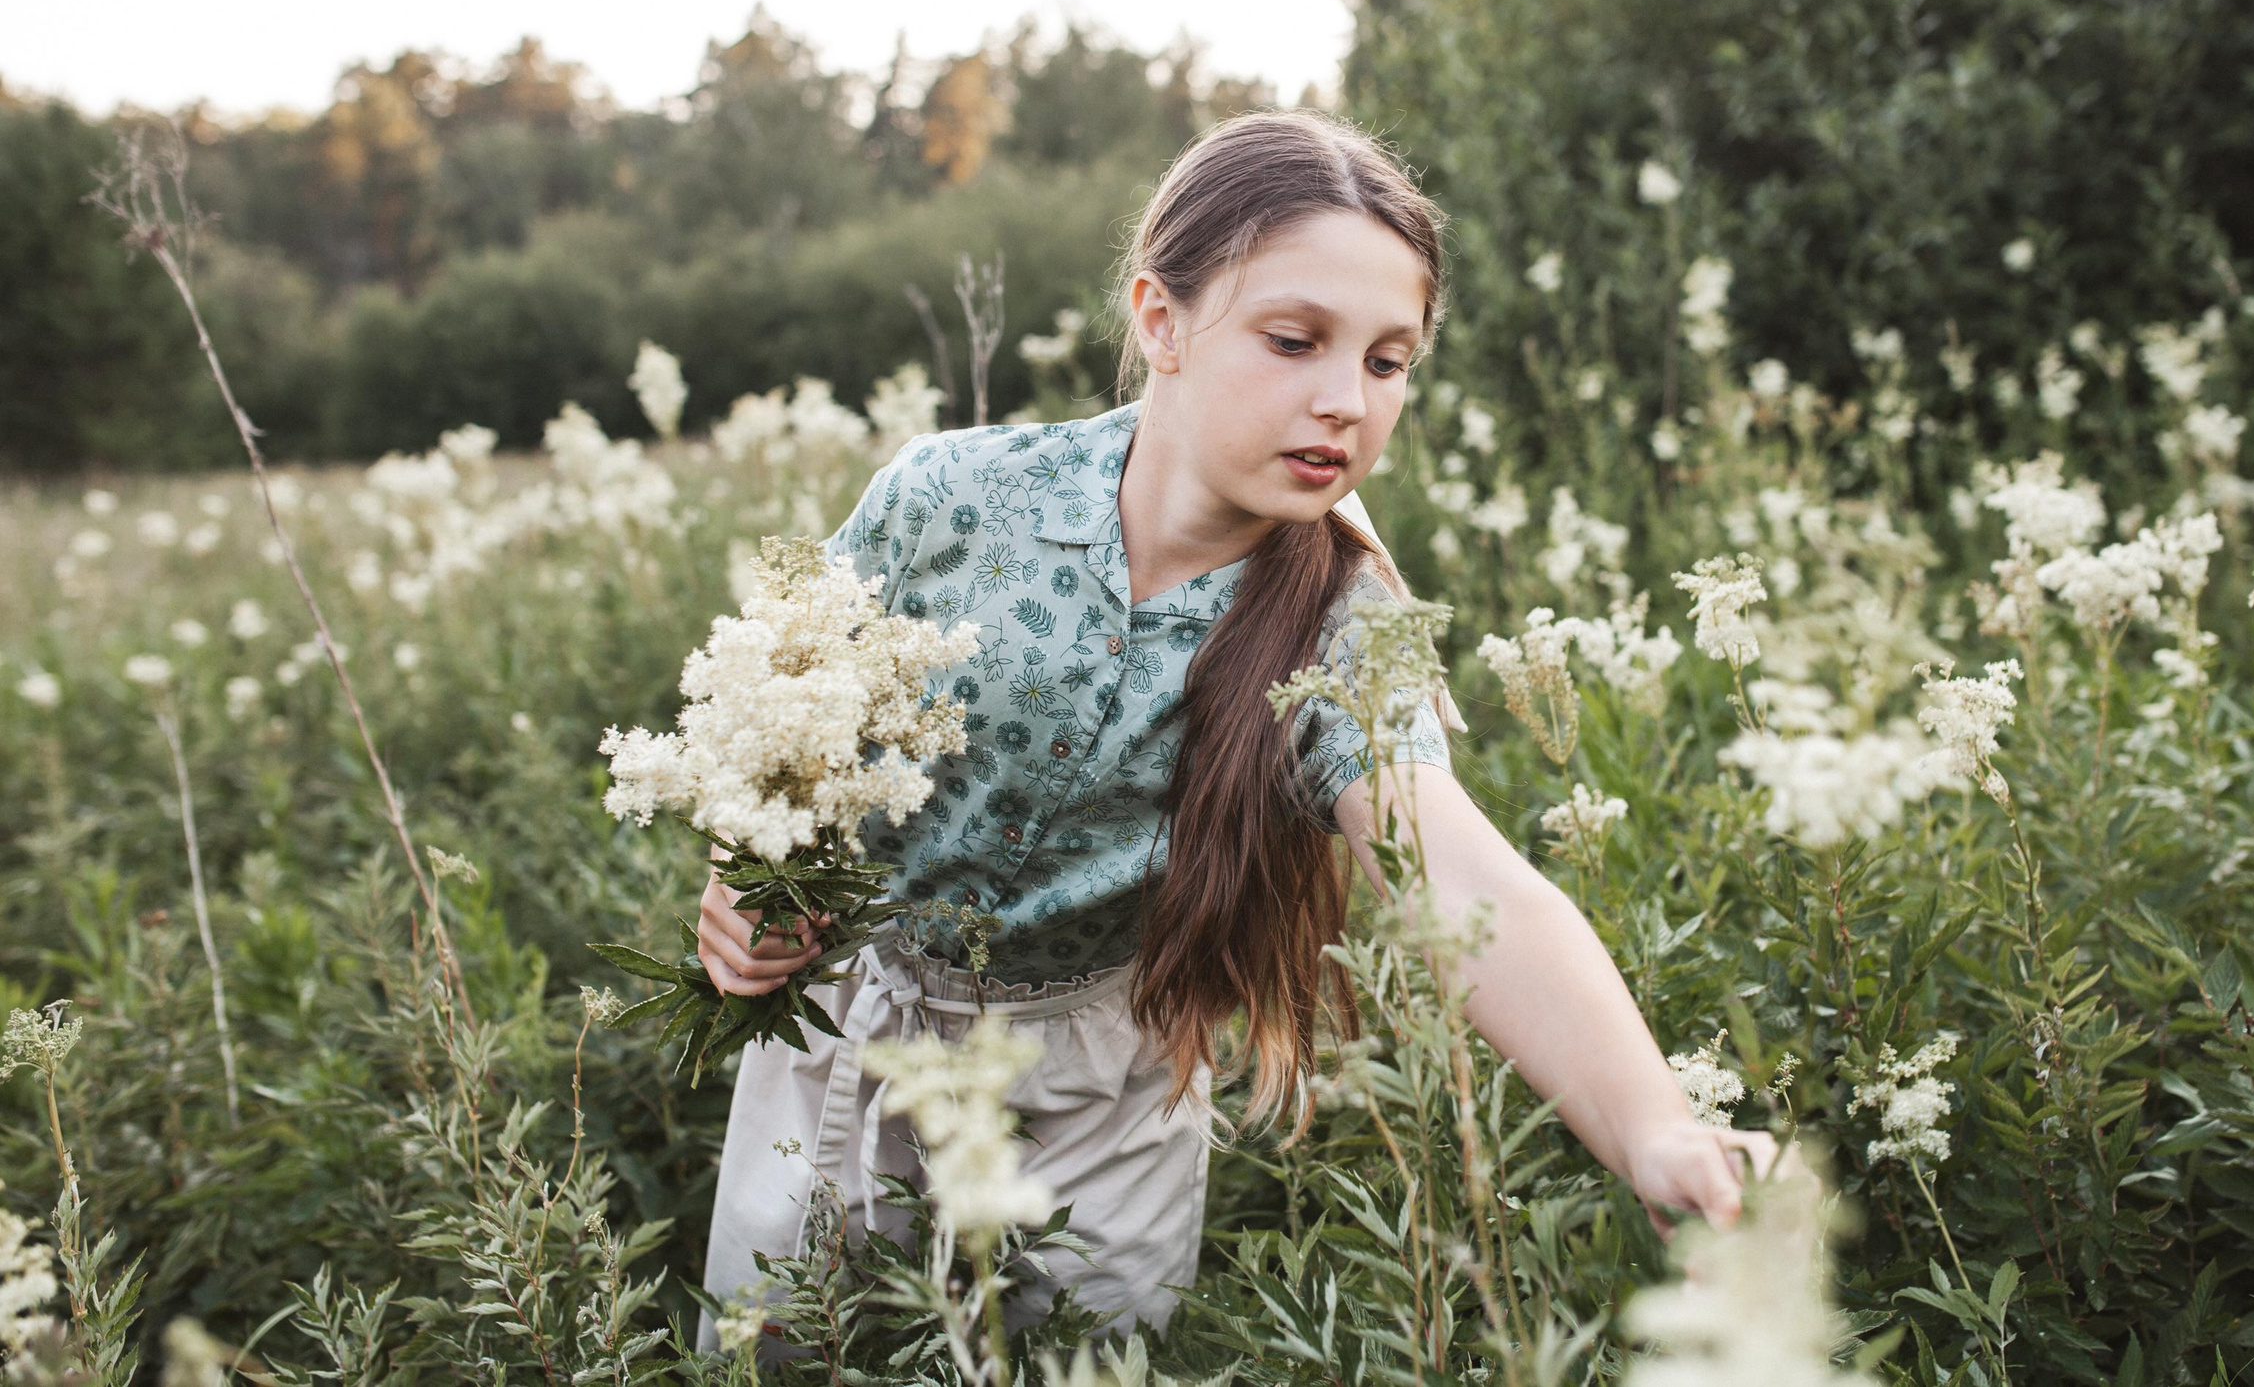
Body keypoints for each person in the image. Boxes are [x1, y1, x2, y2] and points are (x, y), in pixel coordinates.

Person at [693, 109, 1780, 1349]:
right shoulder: (949, 499)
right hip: (856, 1046)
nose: (1343, 401)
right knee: (785, 1354)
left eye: (1387, 360)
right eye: (1293, 339)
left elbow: (1469, 879)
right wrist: (743, 873)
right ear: (1161, 320)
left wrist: (1653, 1125)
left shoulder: (1347, 624)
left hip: (1102, 1097)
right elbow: (773, 703)